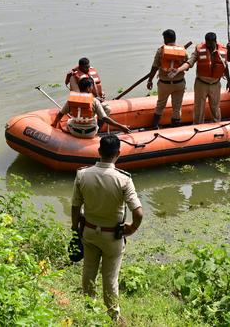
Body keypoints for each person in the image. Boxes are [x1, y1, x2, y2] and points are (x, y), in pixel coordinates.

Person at [71, 134, 144, 322]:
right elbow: (138, 213)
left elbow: (75, 206)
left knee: (88, 271)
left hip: (89, 231)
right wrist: (132, 229)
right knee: (110, 278)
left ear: (98, 151)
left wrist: (75, 228)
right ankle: (113, 315)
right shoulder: (124, 179)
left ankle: (89, 308)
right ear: (118, 154)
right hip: (113, 236)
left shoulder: (82, 175)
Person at [172, 32, 228, 124]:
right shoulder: (199, 50)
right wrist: (178, 70)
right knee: (199, 107)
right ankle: (198, 125)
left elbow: (225, 66)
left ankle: (217, 123)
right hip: (201, 83)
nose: (209, 46)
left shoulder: (223, 50)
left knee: (215, 107)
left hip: (215, 84)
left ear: (215, 41)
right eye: (207, 44)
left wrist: (229, 81)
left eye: (211, 44)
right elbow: (189, 63)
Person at [55, 77, 131, 135]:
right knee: (96, 117)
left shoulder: (71, 99)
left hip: (74, 132)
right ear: (88, 88)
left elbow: (60, 114)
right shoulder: (94, 101)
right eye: (92, 86)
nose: (92, 88)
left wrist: (53, 125)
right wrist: (121, 127)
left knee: (69, 121)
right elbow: (105, 118)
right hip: (90, 133)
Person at [145, 29, 187, 129]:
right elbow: (187, 65)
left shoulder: (160, 50)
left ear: (166, 39)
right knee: (177, 107)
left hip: (164, 84)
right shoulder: (183, 50)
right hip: (179, 83)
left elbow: (154, 67)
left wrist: (150, 80)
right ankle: (175, 128)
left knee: (160, 105)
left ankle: (155, 126)